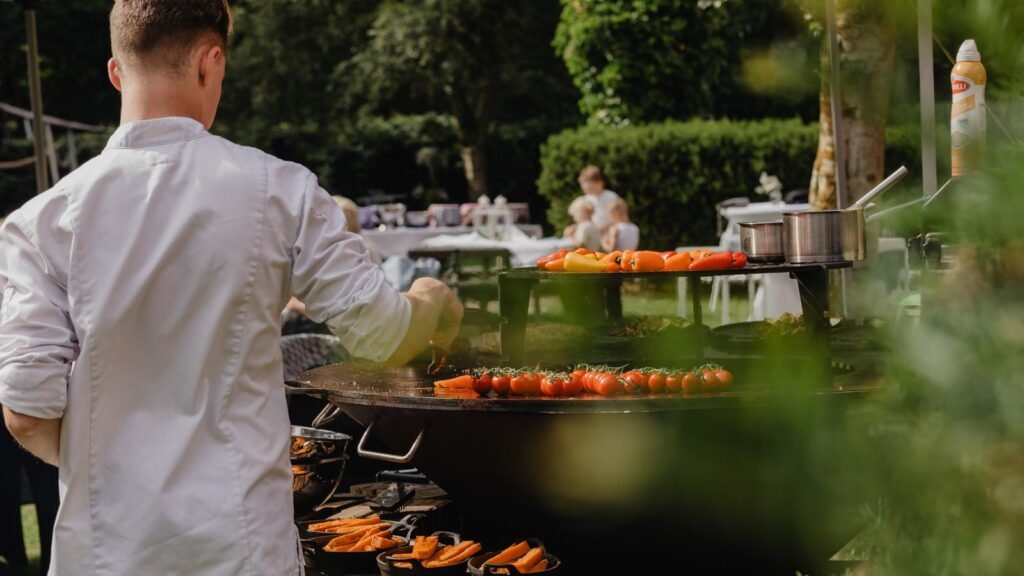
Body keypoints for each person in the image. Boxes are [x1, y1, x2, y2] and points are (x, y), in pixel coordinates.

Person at [0, 2, 462, 576]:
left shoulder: (39, 222)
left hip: (105, 554)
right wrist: (430, 296)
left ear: (117, 73)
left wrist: (111, 472)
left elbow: (27, 410)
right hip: (242, 549)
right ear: (209, 62)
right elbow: (387, 334)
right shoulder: (282, 189)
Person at [577, 165, 621, 233]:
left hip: (609, 233)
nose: (587, 189)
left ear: (599, 183)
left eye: (590, 186)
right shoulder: (585, 200)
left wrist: (606, 229)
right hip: (592, 234)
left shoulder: (611, 197)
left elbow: (619, 218)